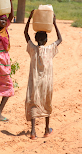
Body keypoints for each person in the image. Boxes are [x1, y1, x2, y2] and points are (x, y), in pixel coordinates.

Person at [24, 10, 62, 140]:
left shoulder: (33, 49)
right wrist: (54, 23)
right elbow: (60, 39)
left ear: (35, 39)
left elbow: (25, 34)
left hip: (34, 82)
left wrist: (29, 19)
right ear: (46, 40)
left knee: (34, 101)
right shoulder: (50, 49)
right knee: (46, 102)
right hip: (46, 82)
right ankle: (46, 129)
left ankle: (33, 132)